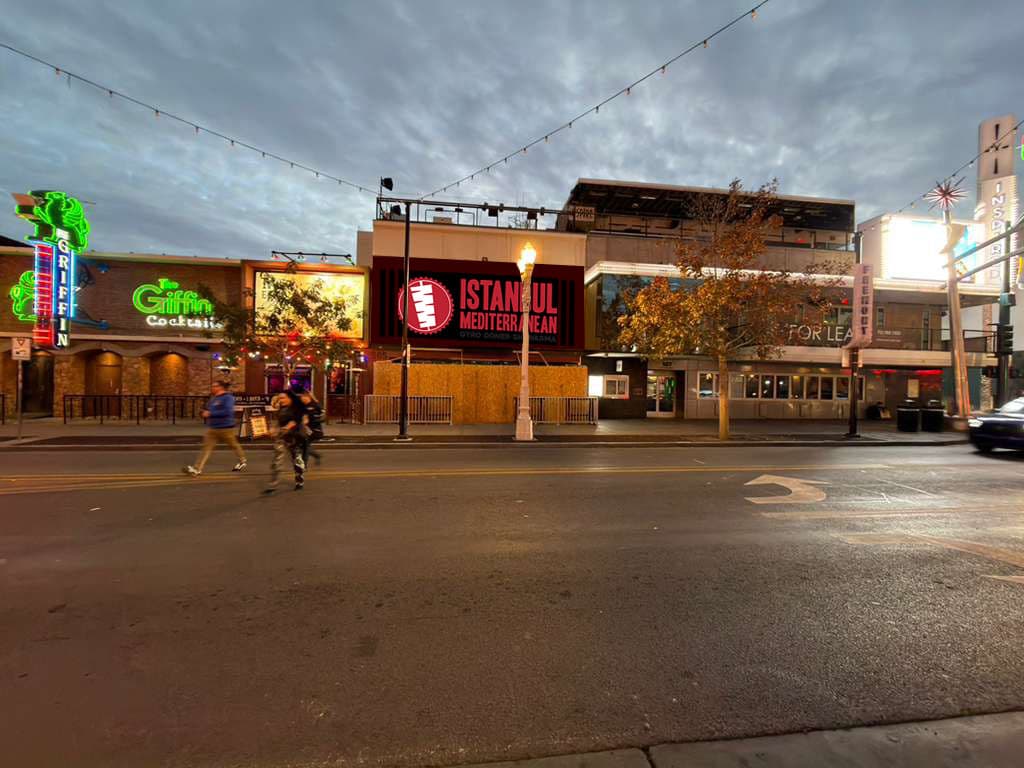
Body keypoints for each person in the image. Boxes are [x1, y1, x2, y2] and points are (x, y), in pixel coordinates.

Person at [184, 380, 246, 476]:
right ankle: (197, 469)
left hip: (226, 428)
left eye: (214, 386)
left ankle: (242, 460)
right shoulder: (213, 399)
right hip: (213, 428)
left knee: (233, 445)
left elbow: (227, 411)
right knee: (206, 448)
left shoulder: (228, 398)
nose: (212, 388)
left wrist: (210, 413)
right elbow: (208, 410)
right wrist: (203, 412)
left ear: (220, 387)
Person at [263, 389, 309, 493]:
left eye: (283, 398)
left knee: (297, 462)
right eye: (279, 398)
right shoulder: (281, 409)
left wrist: (288, 426)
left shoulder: (297, 409)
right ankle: (273, 485)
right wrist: (272, 430)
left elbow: (296, 421)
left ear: (290, 398)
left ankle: (299, 481)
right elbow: (277, 422)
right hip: (282, 438)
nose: (281, 400)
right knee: (277, 462)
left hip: (294, 438)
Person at [298, 388, 324, 467]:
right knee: (303, 446)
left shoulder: (315, 405)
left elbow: (323, 417)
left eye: (302, 397)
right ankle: (316, 456)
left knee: (304, 446)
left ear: (307, 397)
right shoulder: (303, 406)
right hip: (307, 430)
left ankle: (303, 464)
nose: (301, 399)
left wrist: (311, 420)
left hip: (315, 430)